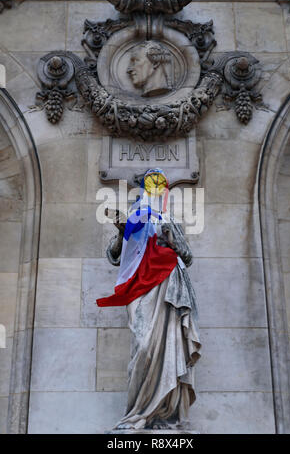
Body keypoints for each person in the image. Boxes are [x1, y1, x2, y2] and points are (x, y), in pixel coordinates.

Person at [97, 168, 201, 430]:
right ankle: (136, 412)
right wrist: (123, 231)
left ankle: (167, 415)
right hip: (141, 291)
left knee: (170, 348)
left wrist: (171, 239)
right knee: (143, 347)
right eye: (151, 188)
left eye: (159, 189)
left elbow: (187, 256)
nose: (155, 194)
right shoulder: (135, 220)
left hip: (168, 290)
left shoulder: (169, 220)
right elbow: (114, 255)